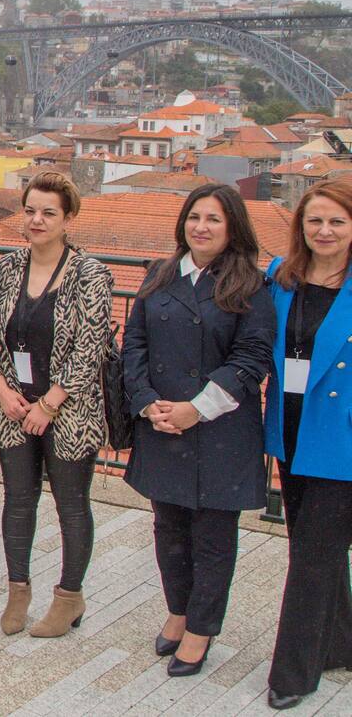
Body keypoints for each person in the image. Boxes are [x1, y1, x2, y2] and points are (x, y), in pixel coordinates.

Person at [122, 184, 275, 677]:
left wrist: (197, 408)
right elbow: (134, 344)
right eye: (194, 217)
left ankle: (202, 628)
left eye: (213, 219)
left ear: (232, 229)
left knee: (212, 537)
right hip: (162, 423)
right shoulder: (161, 274)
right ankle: (178, 610)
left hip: (220, 430)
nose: (201, 227)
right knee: (168, 528)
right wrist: (146, 402)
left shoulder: (250, 285)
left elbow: (251, 358)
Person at [0, 172, 114, 636]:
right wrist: (0, 386)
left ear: (68, 218)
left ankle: (69, 598)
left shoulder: (90, 274)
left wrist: (50, 403)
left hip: (69, 410)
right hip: (12, 406)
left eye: (48, 213)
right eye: (31, 211)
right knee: (18, 501)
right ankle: (18, 592)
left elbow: (91, 348)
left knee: (71, 505)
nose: (36, 220)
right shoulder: (7, 269)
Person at [262, 180, 352, 711]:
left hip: (341, 437)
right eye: (315, 220)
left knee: (312, 556)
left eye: (337, 221)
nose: (325, 231)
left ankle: (293, 673)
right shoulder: (282, 277)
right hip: (290, 430)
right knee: (315, 545)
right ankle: (340, 644)